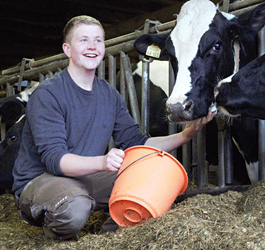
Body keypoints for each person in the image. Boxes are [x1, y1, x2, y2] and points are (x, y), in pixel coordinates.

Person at [12, 15, 215, 240]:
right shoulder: (48, 94)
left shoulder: (108, 94)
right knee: (75, 208)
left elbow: (138, 142)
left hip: (86, 177)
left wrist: (186, 134)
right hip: (42, 180)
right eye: (83, 41)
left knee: (150, 184)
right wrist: (102, 162)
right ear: (67, 49)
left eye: (98, 41)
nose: (92, 47)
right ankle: (55, 240)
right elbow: (55, 159)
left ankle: (108, 239)